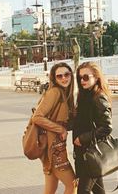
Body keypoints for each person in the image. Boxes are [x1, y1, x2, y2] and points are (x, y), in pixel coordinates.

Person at [32, 62, 77, 194]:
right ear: (54, 78)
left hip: (51, 147)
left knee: (50, 189)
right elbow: (37, 117)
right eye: (59, 76)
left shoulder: (64, 94)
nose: (64, 78)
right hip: (54, 149)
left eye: (67, 74)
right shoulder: (55, 92)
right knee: (72, 184)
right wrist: (60, 129)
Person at [73, 62, 112, 194]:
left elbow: (107, 127)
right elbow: (80, 122)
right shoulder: (84, 96)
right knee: (99, 191)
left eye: (86, 77)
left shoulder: (98, 97)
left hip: (90, 153)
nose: (82, 81)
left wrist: (82, 138)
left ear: (96, 77)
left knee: (82, 191)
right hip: (83, 153)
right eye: (79, 78)